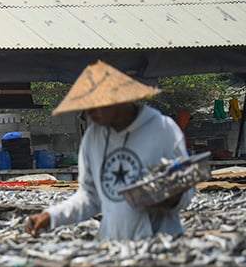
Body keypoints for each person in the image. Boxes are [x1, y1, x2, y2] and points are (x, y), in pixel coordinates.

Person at [24, 61, 194, 241]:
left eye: (95, 104)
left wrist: (172, 198)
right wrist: (53, 216)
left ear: (118, 99)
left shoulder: (163, 129)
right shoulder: (93, 137)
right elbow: (90, 197)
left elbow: (187, 189)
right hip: (112, 245)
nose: (90, 113)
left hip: (160, 244)